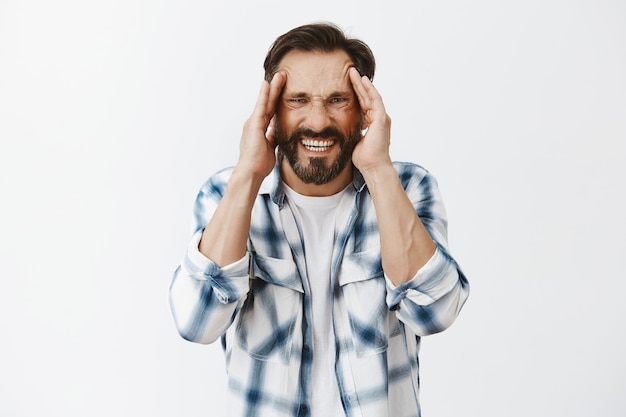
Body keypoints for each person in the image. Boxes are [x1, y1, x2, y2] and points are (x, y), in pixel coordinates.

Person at [169, 22, 470, 417]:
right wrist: (247, 173)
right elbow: (197, 322)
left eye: (337, 100)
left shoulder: (408, 188)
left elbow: (436, 311)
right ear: (272, 110)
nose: (317, 120)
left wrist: (378, 169)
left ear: (364, 110)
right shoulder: (228, 193)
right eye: (297, 100)